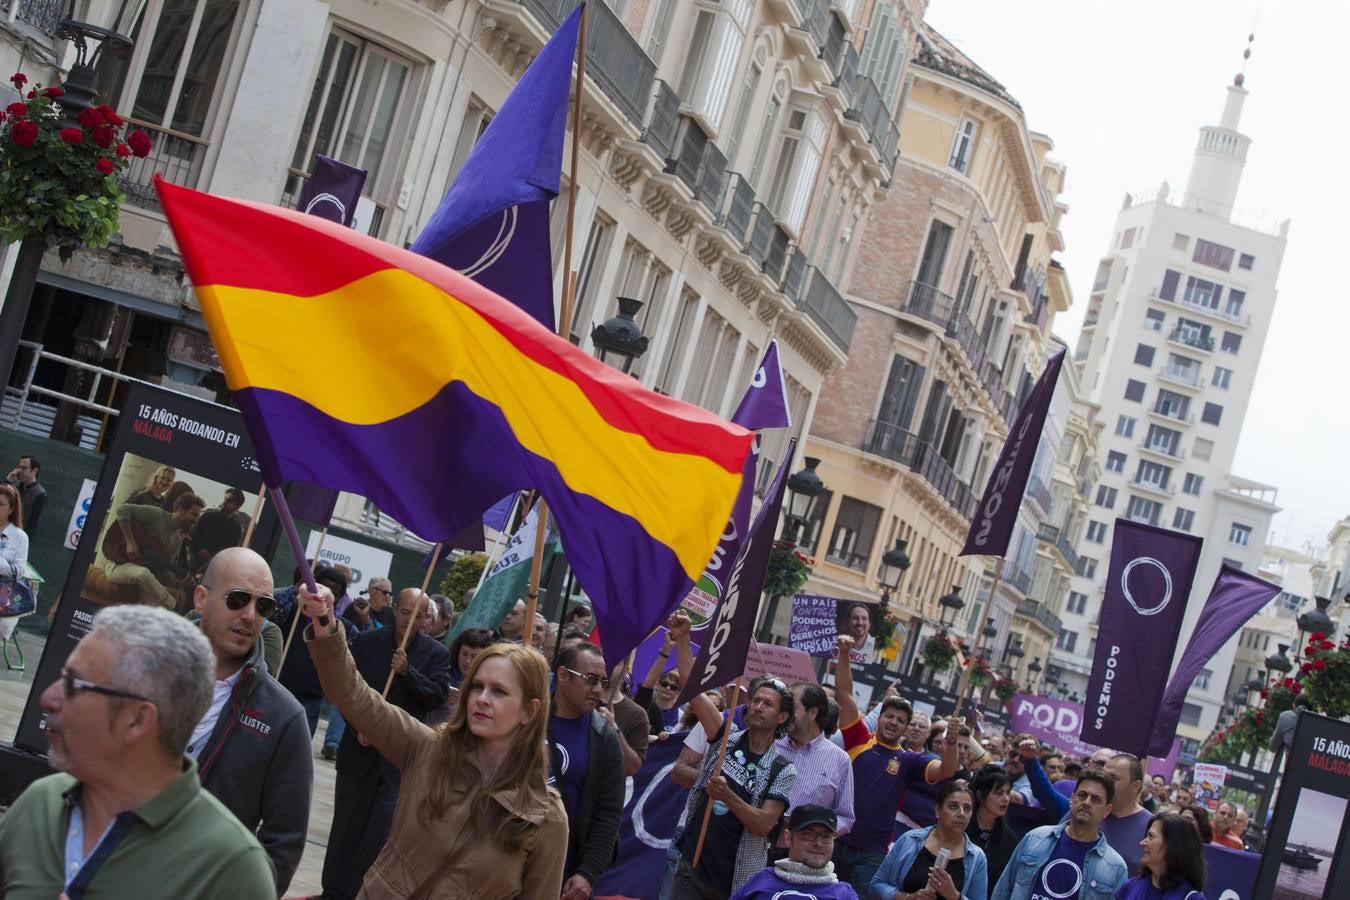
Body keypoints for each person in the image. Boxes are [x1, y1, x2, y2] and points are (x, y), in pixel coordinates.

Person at [299, 581, 568, 897]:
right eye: (476, 687)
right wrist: (326, 623)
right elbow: (353, 695)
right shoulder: (426, 748)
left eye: (499, 691)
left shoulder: (545, 816)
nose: (481, 699)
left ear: (529, 710)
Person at [0, 605, 274, 896]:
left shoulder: (232, 869)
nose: (48, 698)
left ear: (138, 719)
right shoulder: (41, 803)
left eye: (73, 684)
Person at [188, 547, 312, 895]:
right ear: (201, 598)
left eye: (264, 606)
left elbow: (283, 844)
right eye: (237, 599)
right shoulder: (143, 670)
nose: (249, 615)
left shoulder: (284, 717)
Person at [321, 588, 453, 899]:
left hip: (398, 762)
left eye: (418, 615)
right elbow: (347, 690)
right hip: (360, 752)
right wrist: (359, 728)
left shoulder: (436, 654)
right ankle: (332, 891)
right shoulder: (368, 642)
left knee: (379, 833)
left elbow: (436, 696)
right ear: (396, 610)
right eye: (405, 612)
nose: (410, 620)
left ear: (427, 620)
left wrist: (409, 673)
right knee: (345, 828)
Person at [831, 634, 961, 896]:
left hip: (872, 854)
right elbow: (844, 694)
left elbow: (947, 771)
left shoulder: (909, 760)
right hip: (833, 841)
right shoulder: (858, 738)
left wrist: (952, 742)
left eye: (900, 720)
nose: (893, 722)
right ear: (879, 718)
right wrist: (844, 653)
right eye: (889, 716)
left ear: (906, 727)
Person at [673, 672, 798, 898]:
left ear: (782, 717)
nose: (758, 707)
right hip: (693, 865)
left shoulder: (783, 769)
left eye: (768, 704)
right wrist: (681, 640)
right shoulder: (725, 737)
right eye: (755, 700)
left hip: (735, 882)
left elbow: (763, 825)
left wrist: (727, 795)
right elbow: (693, 690)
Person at [551, 640, 625, 898]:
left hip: (560, 868)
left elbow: (609, 814)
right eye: (590, 679)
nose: (597, 689)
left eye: (602, 682)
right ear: (563, 675)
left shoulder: (604, 738)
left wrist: (587, 873)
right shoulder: (525, 715)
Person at [990, 770, 1128, 900]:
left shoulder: (1115, 867)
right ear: (1072, 799)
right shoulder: (1035, 838)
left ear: (1107, 810)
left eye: (1096, 799)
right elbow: (1002, 890)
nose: (1086, 802)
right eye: (1082, 795)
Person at [871, 780, 990, 900]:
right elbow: (876, 886)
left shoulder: (976, 857)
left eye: (967, 808)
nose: (961, 813)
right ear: (938, 810)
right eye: (953, 806)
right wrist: (908, 898)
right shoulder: (910, 840)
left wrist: (954, 896)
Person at [774, 681, 855, 853]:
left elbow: (845, 817)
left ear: (813, 712)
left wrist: (814, 831)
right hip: (756, 846)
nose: (785, 712)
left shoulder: (839, 760)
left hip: (805, 859)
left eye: (792, 707)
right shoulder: (771, 744)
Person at [730, 804, 860, 899]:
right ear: (788, 838)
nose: (818, 843)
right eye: (809, 835)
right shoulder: (762, 879)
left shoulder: (843, 894)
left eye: (826, 836)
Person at [102, 492, 205, 609]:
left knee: (155, 608)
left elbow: (162, 570)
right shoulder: (157, 515)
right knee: (143, 573)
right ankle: (174, 606)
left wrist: (178, 583)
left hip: (140, 573)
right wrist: (130, 542)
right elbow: (122, 510)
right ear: (181, 510)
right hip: (117, 564)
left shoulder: (177, 541)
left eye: (197, 516)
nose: (196, 520)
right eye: (194, 514)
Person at [1114, 813, 1207, 900]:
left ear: (1174, 846)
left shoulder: (1191, 897)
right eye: (1146, 835)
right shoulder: (1130, 886)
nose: (1142, 843)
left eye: (1151, 836)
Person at [968, 765, 1021, 889]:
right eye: (999, 793)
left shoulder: (1009, 839)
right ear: (980, 795)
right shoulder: (961, 827)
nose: (1006, 799)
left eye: (1008, 793)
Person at [1101, 754, 1153, 872]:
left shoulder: (1153, 827)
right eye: (1104, 775)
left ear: (1135, 786)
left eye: (1113, 778)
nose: (1105, 781)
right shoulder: (1087, 809)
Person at [635, 628, 686, 736]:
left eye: (673, 687)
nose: (668, 688)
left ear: (679, 692)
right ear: (657, 684)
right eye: (664, 684)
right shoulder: (642, 703)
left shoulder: (681, 717)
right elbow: (648, 684)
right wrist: (666, 649)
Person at [0, 482, 31, 644]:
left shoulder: (19, 536)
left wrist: (1, 564)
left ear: (12, 509)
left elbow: (20, 570)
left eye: (1, 505)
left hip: (4, 596)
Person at [189, 488, 246, 569]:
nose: (224, 502)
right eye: (225, 499)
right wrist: (199, 550)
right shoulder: (207, 516)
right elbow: (191, 537)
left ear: (237, 506)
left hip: (215, 570)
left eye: (229, 501)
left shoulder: (236, 529)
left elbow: (231, 553)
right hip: (194, 565)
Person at [6, 454, 45, 534]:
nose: (20, 470)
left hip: (18, 536)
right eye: (19, 467)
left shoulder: (40, 494)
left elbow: (34, 523)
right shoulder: (14, 484)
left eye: (24, 468)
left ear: (34, 471)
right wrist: (7, 481)